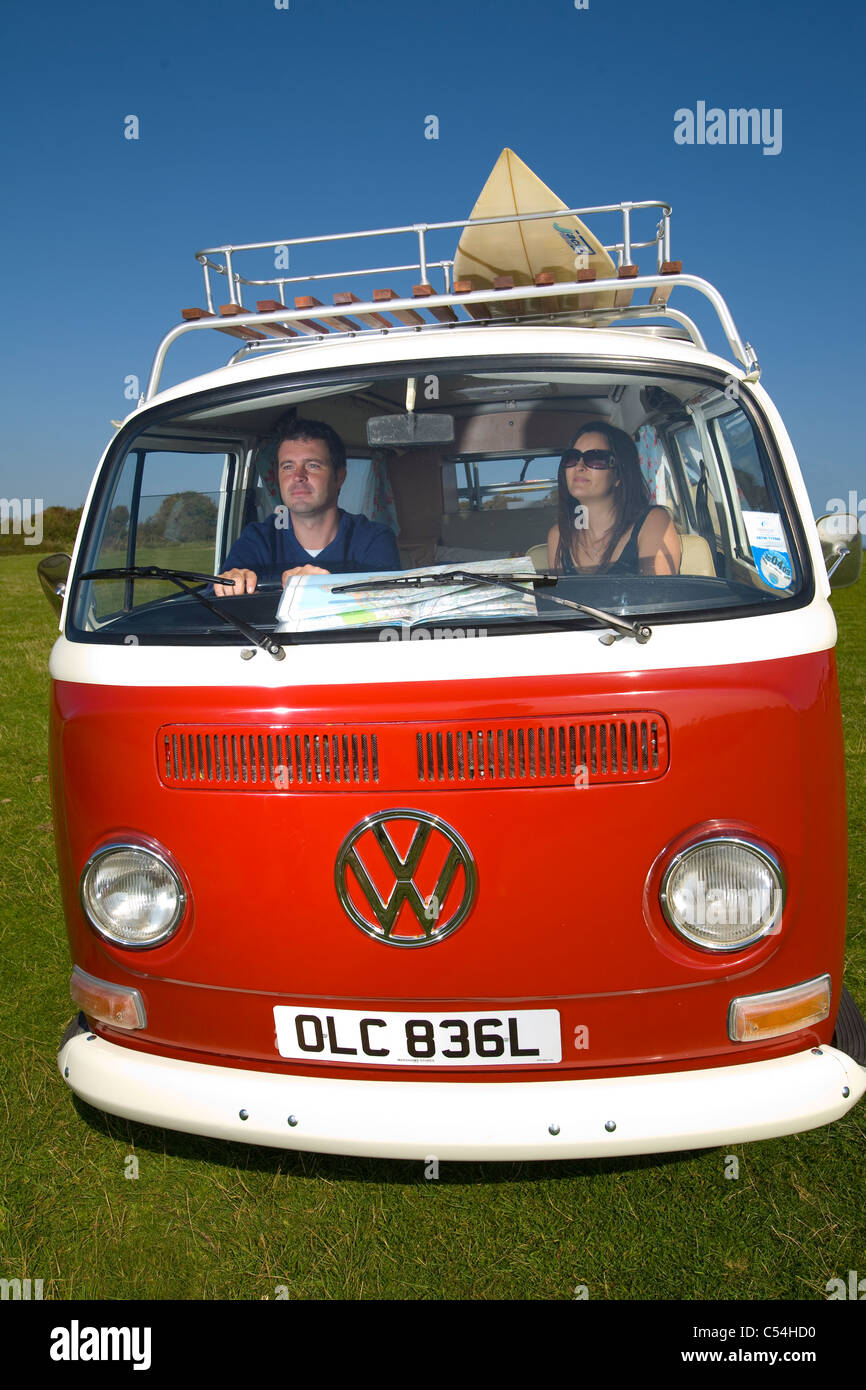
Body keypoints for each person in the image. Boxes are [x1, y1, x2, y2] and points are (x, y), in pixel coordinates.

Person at [214, 418, 401, 595]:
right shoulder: (258, 539)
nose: (298, 476)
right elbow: (212, 605)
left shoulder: (373, 539)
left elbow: (385, 608)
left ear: (340, 477)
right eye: (287, 467)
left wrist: (322, 586)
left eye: (312, 465)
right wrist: (229, 584)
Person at [546, 421, 681, 575]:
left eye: (595, 459)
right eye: (572, 458)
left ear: (619, 475)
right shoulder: (558, 536)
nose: (579, 466)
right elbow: (555, 597)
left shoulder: (654, 521)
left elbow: (658, 596)